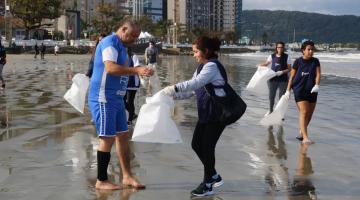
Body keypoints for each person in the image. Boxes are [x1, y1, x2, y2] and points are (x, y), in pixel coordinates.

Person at [88, 19, 154, 190]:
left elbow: (123, 71)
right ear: (123, 29)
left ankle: (127, 176)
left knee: (123, 136)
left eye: (137, 37)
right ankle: (101, 180)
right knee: (107, 138)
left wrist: (142, 71)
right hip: (103, 97)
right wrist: (137, 70)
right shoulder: (110, 42)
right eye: (132, 35)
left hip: (117, 99)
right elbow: (110, 68)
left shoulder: (123, 48)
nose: (134, 39)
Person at [162, 36, 228, 197]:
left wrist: (173, 88)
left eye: (196, 51)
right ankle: (213, 175)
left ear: (206, 51)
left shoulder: (212, 66)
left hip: (218, 114)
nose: (194, 55)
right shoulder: (201, 67)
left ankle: (208, 184)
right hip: (206, 113)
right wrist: (173, 96)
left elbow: (195, 83)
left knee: (207, 147)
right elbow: (193, 90)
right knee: (196, 144)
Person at [284, 40, 321, 144]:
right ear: (303, 51)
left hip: (312, 90)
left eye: (312, 50)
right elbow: (292, 77)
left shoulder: (315, 61)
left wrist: (317, 85)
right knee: (304, 112)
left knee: (309, 114)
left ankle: (301, 131)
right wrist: (288, 91)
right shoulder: (298, 62)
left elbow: (318, 74)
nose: (310, 51)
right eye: (308, 49)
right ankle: (305, 138)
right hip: (299, 90)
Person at [260, 41, 291, 116]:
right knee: (271, 96)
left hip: (283, 80)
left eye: (281, 47)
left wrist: (282, 72)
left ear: (283, 48)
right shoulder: (272, 56)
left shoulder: (287, 57)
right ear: (276, 48)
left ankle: (280, 113)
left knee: (281, 97)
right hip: (272, 79)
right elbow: (267, 63)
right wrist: (260, 66)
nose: (280, 49)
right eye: (278, 47)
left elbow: (289, 69)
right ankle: (270, 111)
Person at [124, 47, 142, 125]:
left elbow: (137, 67)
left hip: (132, 82)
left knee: (130, 101)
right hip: (124, 82)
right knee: (122, 100)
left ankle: (130, 120)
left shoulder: (133, 56)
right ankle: (133, 114)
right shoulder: (121, 56)